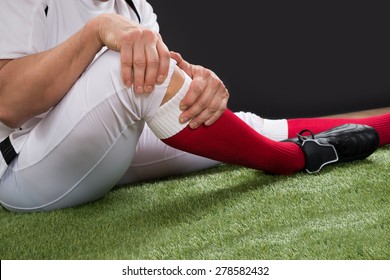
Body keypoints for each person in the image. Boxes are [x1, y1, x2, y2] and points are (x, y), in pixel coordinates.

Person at [0, 0, 388, 212]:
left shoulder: (134, 6)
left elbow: (159, 84)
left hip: (97, 150)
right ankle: (290, 159)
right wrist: (97, 30)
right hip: (22, 169)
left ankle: (382, 126)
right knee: (126, 72)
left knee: (241, 123)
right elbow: (7, 103)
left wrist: (196, 81)